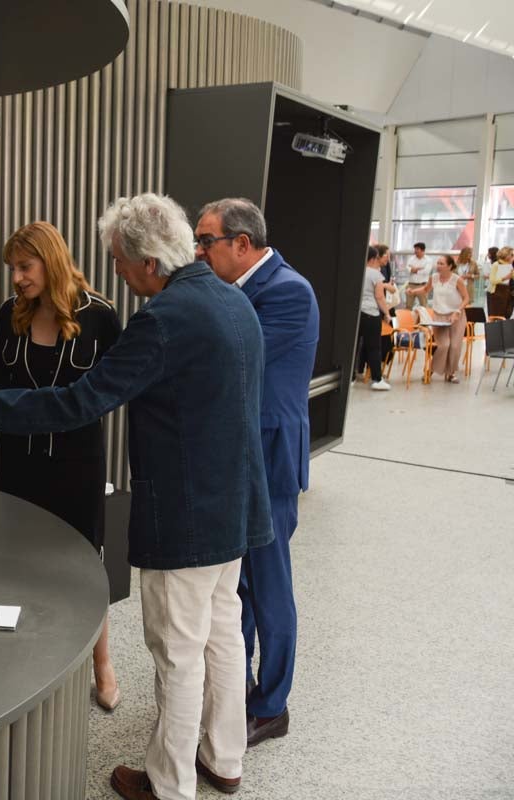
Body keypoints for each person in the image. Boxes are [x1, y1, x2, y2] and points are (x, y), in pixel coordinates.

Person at [0, 193, 273, 800]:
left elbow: (79, 401)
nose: (113, 270)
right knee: (223, 634)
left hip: (190, 519)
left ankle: (169, 784)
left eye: (118, 258)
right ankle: (224, 759)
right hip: (239, 506)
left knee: (178, 652)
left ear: (148, 262)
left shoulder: (161, 321)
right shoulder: (234, 300)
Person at [194, 198, 319, 749]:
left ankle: (272, 705)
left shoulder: (289, 291)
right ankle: (235, 687)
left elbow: (236, 363)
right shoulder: (237, 290)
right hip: (239, 454)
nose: (198, 252)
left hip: (269, 455)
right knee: (237, 586)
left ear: (241, 244)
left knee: (269, 586)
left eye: (206, 241)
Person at [0, 221, 124, 711]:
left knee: (87, 561)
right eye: (12, 269)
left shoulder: (101, 316)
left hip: (76, 463)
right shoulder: (10, 315)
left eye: (25, 266)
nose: (17, 278)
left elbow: (113, 391)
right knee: (21, 561)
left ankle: (102, 664)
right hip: (18, 461)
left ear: (51, 260)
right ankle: (28, 662)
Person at [408, 255, 470, 382]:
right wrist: (413, 292)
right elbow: (425, 289)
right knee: (444, 345)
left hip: (456, 316)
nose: (438, 265)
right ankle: (431, 369)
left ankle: (451, 373)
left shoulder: (457, 280)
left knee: (454, 346)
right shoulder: (434, 278)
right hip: (439, 316)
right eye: (438, 263)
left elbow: (466, 298)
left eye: (441, 263)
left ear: (450, 266)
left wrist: (458, 311)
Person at [353, 246, 393, 390]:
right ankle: (377, 379)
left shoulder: (356, 271)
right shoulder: (376, 275)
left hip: (356, 314)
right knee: (374, 347)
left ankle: (350, 378)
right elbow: (379, 297)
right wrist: (387, 313)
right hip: (371, 313)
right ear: (373, 258)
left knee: (354, 345)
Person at [487, 246, 514, 319]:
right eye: (512, 255)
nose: (513, 257)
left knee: (506, 316)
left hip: (507, 294)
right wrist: (505, 277)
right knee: (495, 317)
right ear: (507, 255)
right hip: (495, 294)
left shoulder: (510, 266)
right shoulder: (496, 264)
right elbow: (492, 280)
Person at [405, 242, 433, 307]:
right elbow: (407, 269)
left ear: (423, 250)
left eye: (417, 249)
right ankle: (408, 317)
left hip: (423, 286)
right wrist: (419, 269)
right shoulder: (411, 258)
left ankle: (422, 317)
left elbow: (426, 271)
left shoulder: (428, 260)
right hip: (411, 285)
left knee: (424, 305)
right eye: (415, 249)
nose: (415, 251)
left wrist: (414, 269)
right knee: (408, 306)